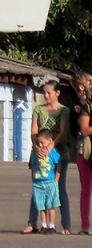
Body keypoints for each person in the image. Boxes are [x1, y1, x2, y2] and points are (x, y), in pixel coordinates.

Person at [22, 80, 73, 234]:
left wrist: (50, 147)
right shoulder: (38, 109)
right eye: (44, 92)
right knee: (37, 187)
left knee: (58, 188)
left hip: (58, 153)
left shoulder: (64, 110)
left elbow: (62, 131)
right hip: (38, 155)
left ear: (57, 93)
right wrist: (38, 147)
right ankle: (33, 223)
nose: (46, 95)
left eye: (49, 92)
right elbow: (34, 130)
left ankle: (66, 225)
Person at [29, 129, 62, 232]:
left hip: (50, 182)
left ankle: (51, 226)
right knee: (41, 206)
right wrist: (34, 179)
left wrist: (56, 180)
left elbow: (58, 165)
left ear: (50, 141)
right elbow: (33, 166)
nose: (40, 145)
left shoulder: (53, 152)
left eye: (42, 143)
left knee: (51, 205)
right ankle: (43, 225)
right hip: (38, 183)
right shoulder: (36, 154)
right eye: (38, 143)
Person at [72, 72, 92, 235]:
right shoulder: (82, 106)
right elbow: (84, 129)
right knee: (86, 189)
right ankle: (85, 225)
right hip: (86, 150)